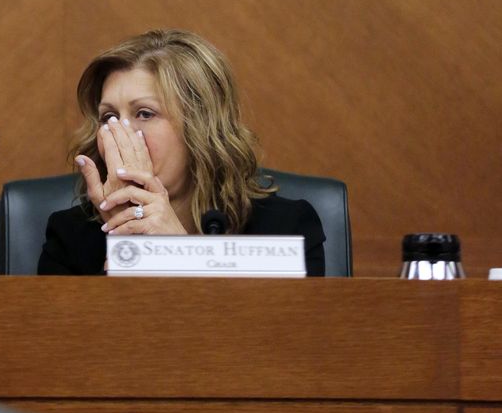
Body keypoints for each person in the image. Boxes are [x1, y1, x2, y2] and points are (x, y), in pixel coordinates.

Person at [38, 29, 326, 275]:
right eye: (108, 117)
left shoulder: (286, 227)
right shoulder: (69, 234)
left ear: (199, 128)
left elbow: (272, 337)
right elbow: (79, 337)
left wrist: (177, 251)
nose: (121, 133)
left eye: (145, 113)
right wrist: (128, 247)